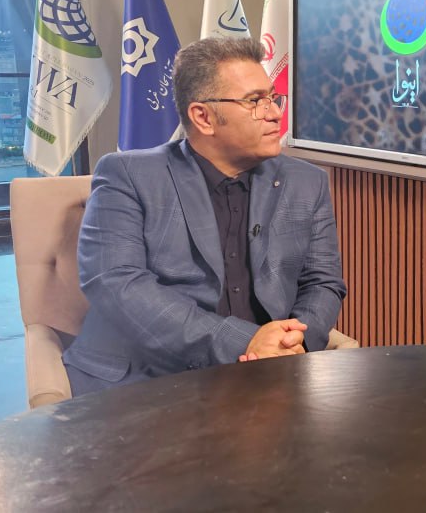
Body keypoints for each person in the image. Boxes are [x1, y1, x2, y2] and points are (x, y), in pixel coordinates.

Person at [63, 37, 347, 395]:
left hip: (269, 374)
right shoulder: (128, 176)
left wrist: (293, 342)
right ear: (203, 117)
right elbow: (116, 282)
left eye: (273, 98)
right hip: (150, 378)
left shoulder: (307, 181)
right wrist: (244, 341)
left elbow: (322, 282)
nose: (275, 113)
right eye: (254, 101)